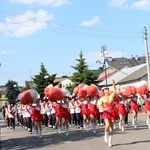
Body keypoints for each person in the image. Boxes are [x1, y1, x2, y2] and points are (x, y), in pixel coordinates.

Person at [98, 80, 116, 147]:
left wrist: (113, 84)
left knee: (111, 129)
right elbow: (99, 106)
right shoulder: (102, 98)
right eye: (105, 89)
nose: (107, 90)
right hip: (106, 113)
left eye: (107, 89)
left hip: (112, 112)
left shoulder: (111, 96)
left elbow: (114, 91)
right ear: (103, 91)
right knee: (107, 125)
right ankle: (105, 134)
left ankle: (110, 142)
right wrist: (104, 109)